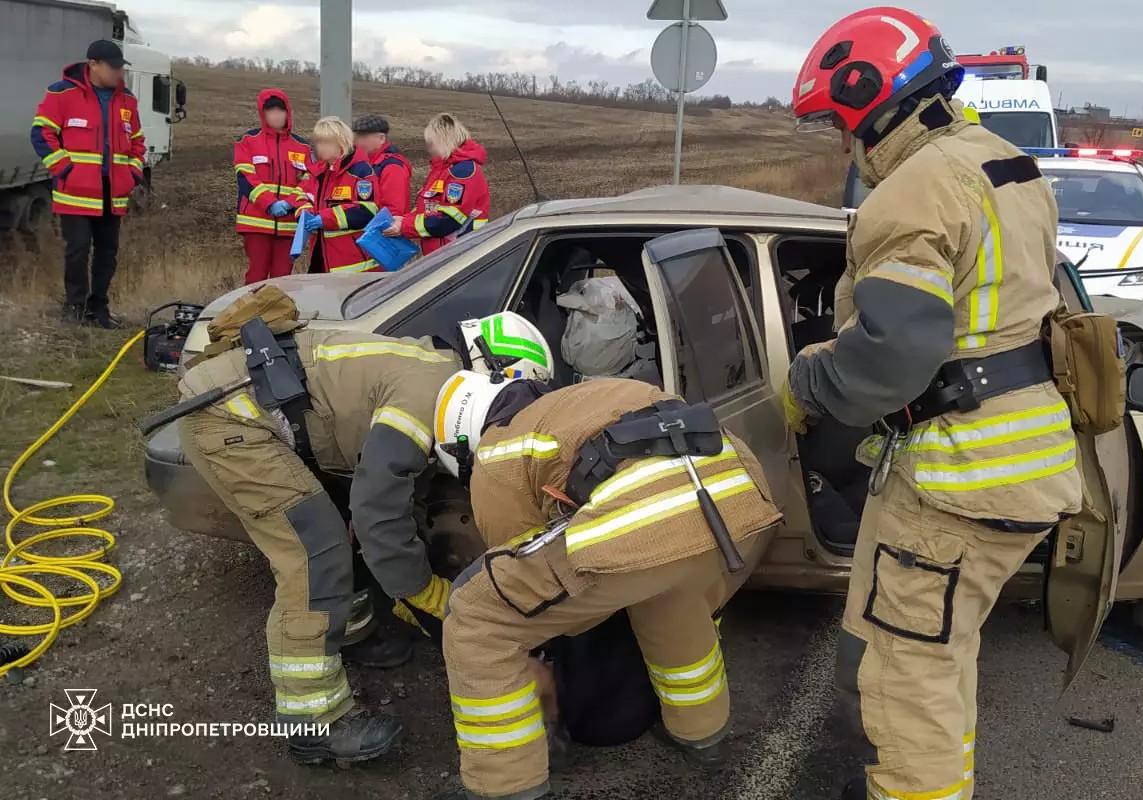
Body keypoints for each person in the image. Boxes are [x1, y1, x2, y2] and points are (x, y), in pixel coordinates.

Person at [782, 9, 1083, 800]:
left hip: (960, 475)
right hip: (1028, 459)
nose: (844, 147)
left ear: (868, 101)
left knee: (906, 681)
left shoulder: (914, 190)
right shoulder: (1002, 160)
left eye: (838, 127)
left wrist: (806, 382)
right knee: (936, 657)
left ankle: (911, 787)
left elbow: (890, 361)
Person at [171, 301, 552, 766]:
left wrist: (405, 585)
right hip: (228, 419)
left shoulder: (437, 372)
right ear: (496, 373)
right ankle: (315, 723)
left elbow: (400, 492)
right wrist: (421, 592)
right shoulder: (426, 395)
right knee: (315, 548)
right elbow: (377, 511)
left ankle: (349, 633)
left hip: (259, 411)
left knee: (338, 525)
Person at [429, 372, 783, 800]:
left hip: (646, 519)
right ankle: (703, 738)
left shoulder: (497, 448)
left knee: (479, 617)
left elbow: (517, 561)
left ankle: (505, 787)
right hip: (742, 502)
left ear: (461, 441)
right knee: (673, 598)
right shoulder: (590, 394)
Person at [31, 39, 146, 329]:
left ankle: (99, 309)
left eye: (121, 68)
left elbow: (137, 143)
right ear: (93, 64)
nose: (119, 73)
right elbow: (41, 134)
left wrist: (132, 174)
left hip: (113, 193)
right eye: (113, 67)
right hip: (76, 194)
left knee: (108, 253)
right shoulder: (62, 94)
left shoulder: (127, 100)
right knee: (78, 249)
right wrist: (64, 169)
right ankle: (75, 308)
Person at [234, 89, 311, 284]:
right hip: (256, 222)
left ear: (288, 113)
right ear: (263, 114)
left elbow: (309, 180)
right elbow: (245, 177)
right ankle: (249, 314)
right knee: (256, 276)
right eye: (271, 111)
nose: (276, 116)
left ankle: (279, 314)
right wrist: (269, 203)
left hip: (288, 223)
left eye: (280, 111)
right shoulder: (247, 142)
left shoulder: (303, 147)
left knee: (283, 278)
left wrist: (291, 202)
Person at [385, 113, 489, 254]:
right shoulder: (443, 169)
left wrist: (404, 226)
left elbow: (448, 220)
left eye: (431, 144)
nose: (429, 150)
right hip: (443, 252)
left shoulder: (463, 172)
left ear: (443, 141)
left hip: (459, 253)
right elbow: (428, 207)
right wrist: (403, 219)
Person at [293, 117, 381, 274]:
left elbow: (366, 211)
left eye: (326, 142)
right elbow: (302, 195)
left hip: (352, 261)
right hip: (321, 254)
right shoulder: (319, 171)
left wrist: (324, 218)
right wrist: (304, 212)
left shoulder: (360, 171)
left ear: (341, 142)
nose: (320, 147)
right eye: (319, 142)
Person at [352, 115, 413, 216]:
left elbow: (393, 209)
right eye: (357, 137)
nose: (358, 142)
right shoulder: (363, 161)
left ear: (381, 138)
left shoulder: (392, 167)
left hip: (381, 228)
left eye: (364, 137)